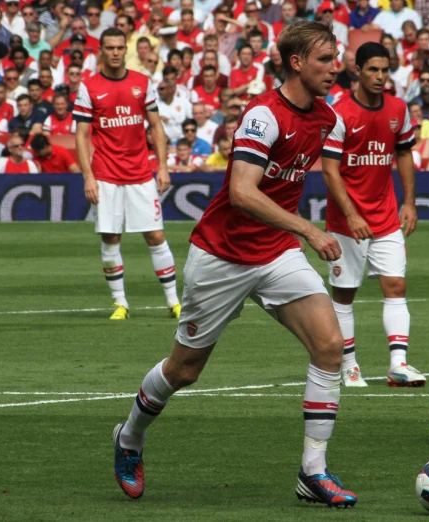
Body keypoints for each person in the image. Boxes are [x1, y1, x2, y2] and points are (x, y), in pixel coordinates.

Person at [110, 20, 358, 507]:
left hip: (277, 253)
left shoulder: (326, 118)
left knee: (331, 345)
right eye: (326, 60)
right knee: (184, 371)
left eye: (336, 58)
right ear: (296, 63)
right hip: (221, 256)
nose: (336, 68)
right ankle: (129, 436)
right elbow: (242, 193)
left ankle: (313, 472)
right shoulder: (264, 116)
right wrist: (308, 228)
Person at [321, 42, 425, 388]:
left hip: (384, 217)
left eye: (385, 70)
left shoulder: (398, 108)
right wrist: (351, 215)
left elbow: (404, 154)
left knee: (396, 285)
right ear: (358, 71)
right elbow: (330, 170)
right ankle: (349, 365)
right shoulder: (339, 113)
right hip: (346, 222)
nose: (380, 77)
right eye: (373, 70)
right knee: (345, 293)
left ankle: (398, 364)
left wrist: (408, 202)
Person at [74, 28, 179, 321]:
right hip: (105, 174)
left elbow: (156, 126)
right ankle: (120, 303)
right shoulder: (89, 87)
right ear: (102, 51)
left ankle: (174, 302)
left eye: (120, 47)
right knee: (111, 237)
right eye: (110, 48)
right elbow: (81, 136)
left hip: (140, 173)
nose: (116, 52)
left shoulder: (141, 82)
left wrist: (163, 165)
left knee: (156, 235)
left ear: (125, 49)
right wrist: (87, 177)